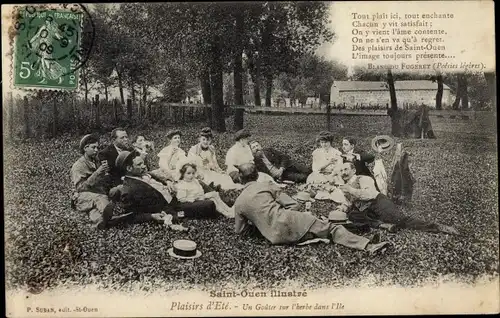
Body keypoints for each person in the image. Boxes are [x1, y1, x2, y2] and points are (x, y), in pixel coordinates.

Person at [233, 163, 390, 253]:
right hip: (292, 221)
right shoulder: (266, 185)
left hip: (274, 238)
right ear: (257, 175)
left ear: (241, 178)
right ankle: (368, 246)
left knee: (316, 232)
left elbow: (240, 231)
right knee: (332, 229)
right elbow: (293, 204)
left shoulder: (239, 202)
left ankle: (314, 237)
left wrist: (261, 224)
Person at [336, 162, 459, 235]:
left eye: (346, 169)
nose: (343, 172)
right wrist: (343, 206)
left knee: (399, 219)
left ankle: (436, 226)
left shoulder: (363, 179)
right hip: (365, 209)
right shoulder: (344, 187)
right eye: (341, 170)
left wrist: (351, 190)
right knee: (352, 216)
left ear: (353, 170)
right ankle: (382, 225)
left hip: (377, 202)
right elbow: (349, 202)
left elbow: (369, 194)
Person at [112, 151, 218, 221]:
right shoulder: (129, 190)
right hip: (173, 207)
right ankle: (219, 203)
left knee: (199, 183)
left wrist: (168, 182)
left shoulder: (143, 174)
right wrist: (152, 216)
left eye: (143, 163)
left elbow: (158, 177)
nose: (144, 166)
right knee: (209, 205)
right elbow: (131, 215)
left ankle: (221, 198)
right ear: (129, 169)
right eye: (139, 165)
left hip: (177, 192)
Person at [70, 134, 114, 229]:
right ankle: (111, 217)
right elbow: (81, 188)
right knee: (99, 198)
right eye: (93, 147)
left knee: (94, 211)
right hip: (82, 196)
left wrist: (106, 174)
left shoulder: (97, 161)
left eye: (97, 147)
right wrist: (98, 173)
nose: (96, 150)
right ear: (85, 148)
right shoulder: (78, 166)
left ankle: (100, 222)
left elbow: (103, 182)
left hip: (95, 195)